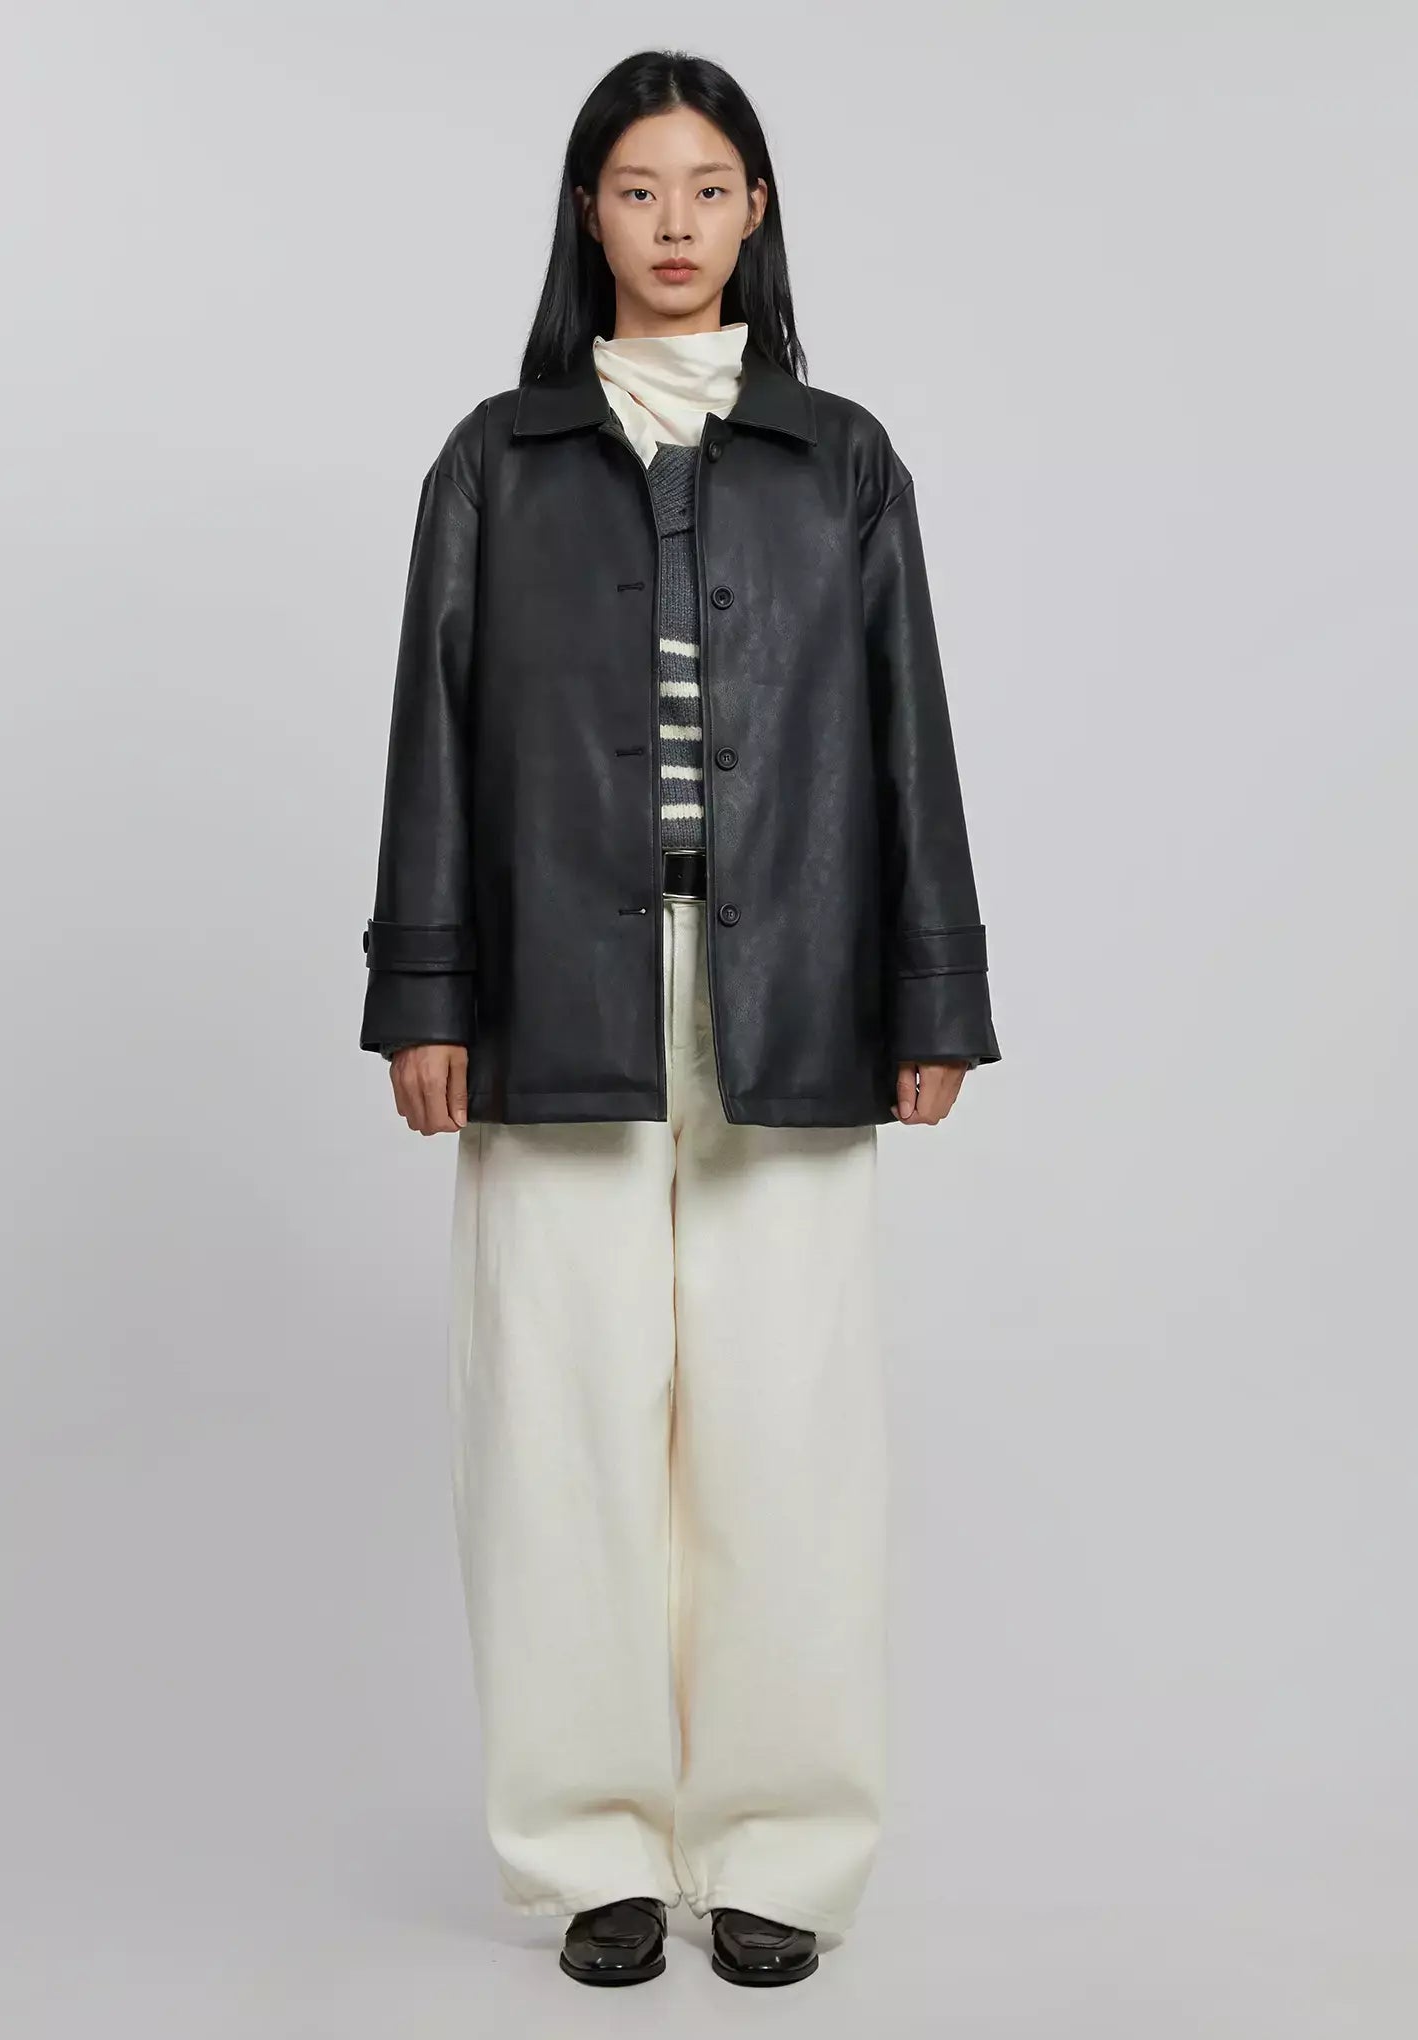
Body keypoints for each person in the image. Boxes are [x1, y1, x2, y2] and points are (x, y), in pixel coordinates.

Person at [359, 49, 1001, 1990]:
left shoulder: (841, 459)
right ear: (589, 213)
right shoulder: (496, 459)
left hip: (789, 983)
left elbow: (908, 732)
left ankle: (782, 1851)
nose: (673, 224)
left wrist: (933, 988)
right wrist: (426, 990)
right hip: (557, 988)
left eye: (708, 188)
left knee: (789, 1429)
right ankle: (593, 1856)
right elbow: (434, 734)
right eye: (638, 189)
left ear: (756, 211)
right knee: (557, 1428)